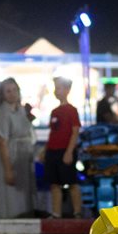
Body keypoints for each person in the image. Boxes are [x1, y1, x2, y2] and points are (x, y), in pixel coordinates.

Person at [0, 78, 36, 218]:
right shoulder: (2, 112)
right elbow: (2, 141)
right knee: (10, 194)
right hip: (9, 155)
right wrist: (8, 169)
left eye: (14, 90)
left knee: (22, 194)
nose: (12, 94)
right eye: (8, 91)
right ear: (3, 94)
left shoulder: (21, 110)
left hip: (22, 156)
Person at [44, 77, 82, 218]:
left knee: (72, 182)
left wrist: (69, 152)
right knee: (54, 184)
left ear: (67, 90)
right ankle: (56, 213)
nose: (56, 91)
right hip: (52, 151)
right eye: (55, 87)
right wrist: (45, 150)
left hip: (65, 151)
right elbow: (53, 133)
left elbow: (75, 131)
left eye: (59, 87)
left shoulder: (72, 110)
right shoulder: (54, 111)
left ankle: (77, 212)